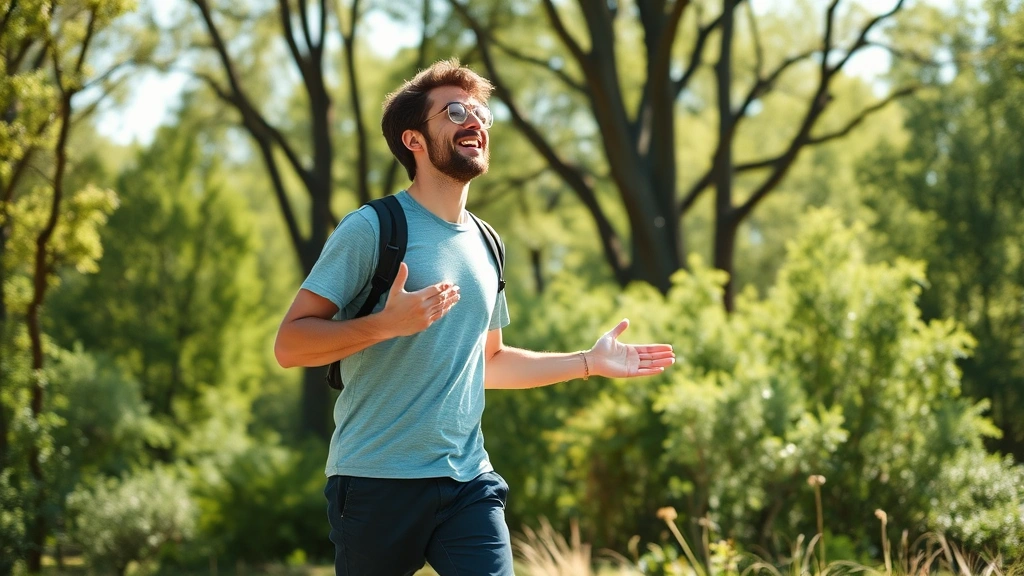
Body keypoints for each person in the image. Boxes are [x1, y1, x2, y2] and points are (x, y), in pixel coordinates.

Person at [274, 58, 676, 576]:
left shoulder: (487, 243)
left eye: (482, 112)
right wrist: (386, 324)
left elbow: (490, 362)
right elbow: (290, 345)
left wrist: (587, 362)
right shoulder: (373, 228)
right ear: (414, 140)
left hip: (467, 480)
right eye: (455, 111)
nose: (476, 122)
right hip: (375, 481)